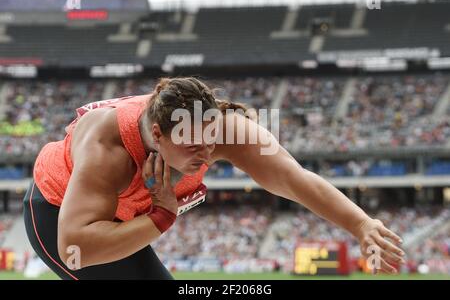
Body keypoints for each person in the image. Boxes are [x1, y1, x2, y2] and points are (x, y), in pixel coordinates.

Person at [23, 77, 405, 279]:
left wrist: (360, 223)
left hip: (127, 216)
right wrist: (161, 217)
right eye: (191, 146)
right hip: (57, 215)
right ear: (157, 135)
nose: (205, 155)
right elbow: (76, 251)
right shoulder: (108, 149)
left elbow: (292, 178)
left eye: (210, 142)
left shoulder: (223, 129)